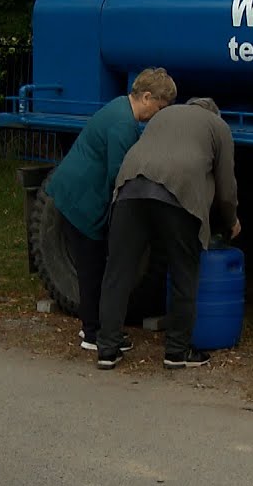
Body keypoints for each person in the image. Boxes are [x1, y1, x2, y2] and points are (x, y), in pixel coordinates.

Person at [96, 97, 240, 370]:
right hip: (178, 194)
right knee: (184, 272)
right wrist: (231, 220)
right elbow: (226, 188)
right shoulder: (219, 127)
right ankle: (176, 352)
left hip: (130, 188)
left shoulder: (164, 114)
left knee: (118, 272)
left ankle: (107, 349)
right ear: (214, 113)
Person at [44, 68, 177, 352]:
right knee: (92, 268)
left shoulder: (118, 108)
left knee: (93, 267)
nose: (159, 113)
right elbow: (121, 176)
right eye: (160, 106)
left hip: (73, 192)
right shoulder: (123, 125)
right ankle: (93, 334)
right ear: (146, 96)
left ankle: (96, 329)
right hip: (82, 199)